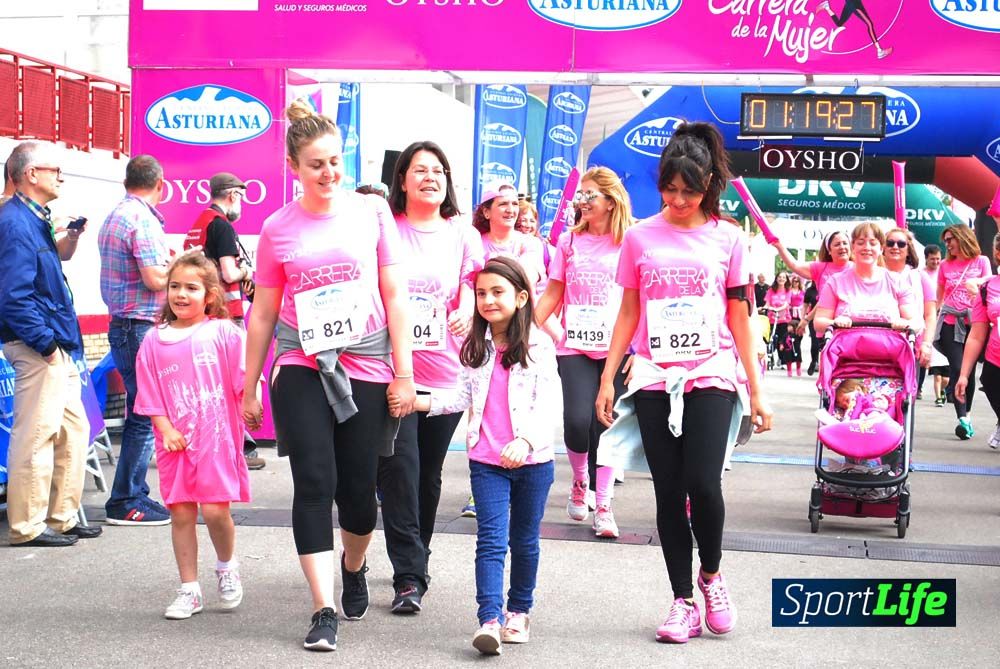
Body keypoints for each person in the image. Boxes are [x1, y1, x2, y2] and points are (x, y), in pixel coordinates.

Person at [241, 100, 416, 652]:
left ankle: (354, 564)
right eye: (316, 164)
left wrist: (404, 373)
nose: (328, 173)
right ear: (293, 166)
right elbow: (264, 313)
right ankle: (322, 608)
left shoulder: (372, 212)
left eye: (335, 162)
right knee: (314, 482)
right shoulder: (277, 228)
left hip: (365, 360)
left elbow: (394, 294)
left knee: (359, 494)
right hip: (302, 359)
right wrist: (249, 386)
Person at [595, 122, 773, 644]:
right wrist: (608, 378)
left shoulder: (729, 238)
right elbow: (629, 310)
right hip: (654, 373)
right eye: (669, 189)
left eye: (688, 191)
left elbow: (740, 316)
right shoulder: (639, 236)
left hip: (711, 369)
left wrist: (756, 390)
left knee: (703, 483)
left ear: (709, 185)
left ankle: (711, 576)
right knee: (668, 490)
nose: (677, 200)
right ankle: (681, 602)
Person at [393, 257, 559, 656]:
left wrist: (526, 441)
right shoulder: (476, 347)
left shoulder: (539, 346)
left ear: (522, 298)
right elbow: (460, 397)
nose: (488, 300)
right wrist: (416, 400)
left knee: (524, 541)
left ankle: (519, 610)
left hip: (533, 463)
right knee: (490, 541)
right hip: (487, 462)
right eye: (481, 293)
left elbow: (550, 403)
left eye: (498, 292)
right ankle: (489, 620)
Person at [380, 140, 482, 614]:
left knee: (427, 473)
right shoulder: (387, 227)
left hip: (444, 372)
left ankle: (417, 553)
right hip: (393, 370)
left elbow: (472, 281)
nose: (430, 177)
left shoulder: (462, 232)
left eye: (438, 170)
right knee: (400, 469)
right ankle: (409, 575)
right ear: (402, 180)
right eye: (419, 170)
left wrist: (466, 307)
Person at [133, 251, 252, 619]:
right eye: (174, 286)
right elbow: (148, 392)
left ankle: (227, 566)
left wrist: (253, 402)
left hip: (216, 439)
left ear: (210, 295)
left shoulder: (224, 333)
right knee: (182, 515)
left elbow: (246, 375)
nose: (181, 294)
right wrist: (165, 428)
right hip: (175, 444)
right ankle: (189, 589)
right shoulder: (153, 339)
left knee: (216, 511)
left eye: (191, 288)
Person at [0, 141, 101, 547]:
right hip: (39, 345)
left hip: (52, 343)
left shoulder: (31, 218)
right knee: (37, 434)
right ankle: (27, 526)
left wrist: (70, 237)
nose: (60, 177)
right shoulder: (15, 222)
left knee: (74, 430)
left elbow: (46, 272)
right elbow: (13, 296)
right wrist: (45, 344)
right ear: (31, 174)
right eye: (54, 170)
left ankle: (61, 517)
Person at [534, 166, 633, 538]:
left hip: (617, 348)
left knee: (606, 425)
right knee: (577, 421)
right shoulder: (569, 242)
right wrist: (526, 329)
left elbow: (639, 300)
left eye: (590, 195)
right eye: (581, 195)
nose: (582, 201)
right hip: (574, 346)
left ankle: (604, 505)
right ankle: (580, 481)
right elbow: (553, 294)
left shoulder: (630, 241)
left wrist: (640, 349)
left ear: (611, 200)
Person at [98, 154, 173, 525]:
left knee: (141, 411)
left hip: (125, 325)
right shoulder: (142, 219)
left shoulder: (116, 215)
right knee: (145, 413)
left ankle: (133, 493)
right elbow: (154, 279)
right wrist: (180, 267)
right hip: (138, 325)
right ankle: (127, 499)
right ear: (160, 184)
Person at [183, 172, 265, 471]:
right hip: (225, 316)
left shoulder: (199, 224)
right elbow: (229, 273)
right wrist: (247, 272)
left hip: (202, 315)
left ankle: (220, 446)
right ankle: (238, 448)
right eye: (240, 197)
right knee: (235, 382)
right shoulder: (222, 226)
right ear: (233, 195)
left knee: (210, 384)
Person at [934, 224, 992, 440]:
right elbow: (939, 297)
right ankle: (962, 419)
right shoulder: (944, 265)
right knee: (958, 367)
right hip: (950, 322)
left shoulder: (981, 261)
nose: (947, 244)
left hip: (975, 323)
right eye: (945, 240)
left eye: (950, 239)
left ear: (962, 238)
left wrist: (976, 283)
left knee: (968, 371)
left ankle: (966, 413)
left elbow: (990, 287)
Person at [813, 222, 919, 336]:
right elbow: (819, 322)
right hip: (846, 346)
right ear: (853, 247)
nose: (867, 247)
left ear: (881, 248)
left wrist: (906, 324)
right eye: (860, 243)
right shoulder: (835, 282)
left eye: (873, 243)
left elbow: (917, 322)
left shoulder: (897, 282)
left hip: (889, 346)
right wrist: (834, 323)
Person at [955, 232, 1000, 449]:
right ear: (997, 253)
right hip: (995, 361)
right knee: (989, 383)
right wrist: (964, 375)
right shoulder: (987, 287)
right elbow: (976, 334)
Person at [473, 183, 545, 289]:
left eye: (515, 204)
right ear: (486, 212)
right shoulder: (475, 243)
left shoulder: (531, 243)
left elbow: (526, 278)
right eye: (503, 204)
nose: (510, 210)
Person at [883, 227, 935, 370]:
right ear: (883, 247)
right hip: (878, 344)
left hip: (913, 344)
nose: (895, 247)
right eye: (890, 243)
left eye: (901, 244)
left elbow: (930, 315)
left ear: (908, 249)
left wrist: (926, 344)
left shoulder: (920, 277)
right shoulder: (873, 274)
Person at [816, 0, 893, 59]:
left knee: (839, 23)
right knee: (869, 24)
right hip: (854, 4)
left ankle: (827, 7)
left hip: (852, 3)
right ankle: (879, 51)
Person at [764, 272, 793, 373]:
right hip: (772, 318)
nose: (781, 279)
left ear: (786, 279)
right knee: (772, 339)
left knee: (783, 340)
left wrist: (779, 308)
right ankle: (770, 357)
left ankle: (782, 359)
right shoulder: (771, 290)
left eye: (783, 277)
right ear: (776, 279)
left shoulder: (788, 291)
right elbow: (767, 303)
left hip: (783, 318)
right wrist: (766, 307)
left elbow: (786, 304)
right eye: (779, 277)